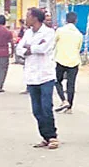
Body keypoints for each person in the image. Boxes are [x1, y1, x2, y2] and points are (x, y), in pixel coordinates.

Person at [18, 8, 59, 149]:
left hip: (45, 75)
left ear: (35, 18)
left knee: (46, 107)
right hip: (31, 76)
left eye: (28, 16)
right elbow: (19, 49)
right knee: (36, 110)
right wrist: (30, 48)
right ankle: (45, 136)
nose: (26, 19)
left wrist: (30, 48)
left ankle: (52, 136)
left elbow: (45, 49)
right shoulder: (28, 33)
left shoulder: (49, 32)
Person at [53, 11, 83, 113]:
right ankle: (69, 107)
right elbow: (79, 48)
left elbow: (53, 43)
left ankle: (63, 100)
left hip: (60, 59)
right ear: (76, 21)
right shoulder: (79, 34)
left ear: (66, 20)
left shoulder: (60, 31)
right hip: (74, 61)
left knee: (57, 81)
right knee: (71, 84)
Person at [0, 15, 13, 93]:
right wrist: (13, 52)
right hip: (4, 52)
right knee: (2, 69)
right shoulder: (7, 31)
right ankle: (0, 85)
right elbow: (11, 42)